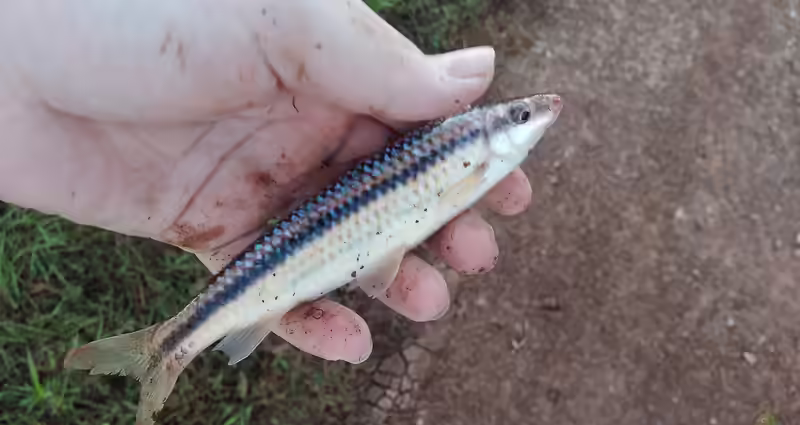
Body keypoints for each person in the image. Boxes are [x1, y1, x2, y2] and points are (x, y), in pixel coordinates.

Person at [0, 0, 534, 365]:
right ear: (487, 132)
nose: (543, 111)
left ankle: (170, 346)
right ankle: (166, 348)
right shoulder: (473, 152)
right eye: (521, 115)